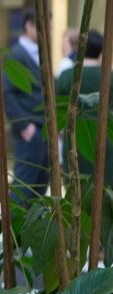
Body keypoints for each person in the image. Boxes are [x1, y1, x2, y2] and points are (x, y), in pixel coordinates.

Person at [57, 30, 113, 187]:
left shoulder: (67, 76)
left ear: (78, 48)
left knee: (75, 190)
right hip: (106, 140)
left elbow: (56, 111)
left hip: (74, 141)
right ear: (101, 50)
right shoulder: (109, 77)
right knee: (104, 190)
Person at [3, 7, 47, 205]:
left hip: (43, 128)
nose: (47, 31)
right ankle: (11, 224)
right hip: (30, 129)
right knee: (23, 187)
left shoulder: (41, 53)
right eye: (43, 26)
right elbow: (7, 93)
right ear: (29, 26)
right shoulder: (16, 54)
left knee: (40, 186)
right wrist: (24, 126)